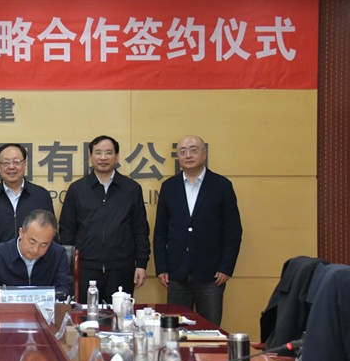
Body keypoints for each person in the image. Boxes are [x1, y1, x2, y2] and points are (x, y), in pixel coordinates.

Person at [153, 135, 242, 326]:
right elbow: (160, 232)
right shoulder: (169, 187)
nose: (188, 155)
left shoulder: (221, 186)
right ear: (178, 157)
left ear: (204, 153)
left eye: (193, 150)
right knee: (175, 330)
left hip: (211, 275)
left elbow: (233, 231)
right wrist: (162, 267)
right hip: (176, 274)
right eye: (183, 151)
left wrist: (226, 267)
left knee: (210, 329)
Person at [59, 135, 150, 300]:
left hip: (121, 269)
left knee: (119, 314)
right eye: (98, 153)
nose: (103, 157)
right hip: (85, 268)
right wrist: (68, 266)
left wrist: (142, 264)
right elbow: (67, 230)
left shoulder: (131, 189)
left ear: (116, 156)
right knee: (85, 314)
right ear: (90, 156)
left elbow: (140, 229)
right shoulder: (77, 189)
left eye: (108, 153)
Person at [0, 143, 55, 274]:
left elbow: (51, 236)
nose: (11, 167)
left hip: (36, 269)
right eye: (6, 163)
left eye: (16, 162)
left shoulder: (41, 196)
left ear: (25, 164)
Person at [0, 209, 72, 303]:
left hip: (46, 313)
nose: (35, 250)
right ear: (21, 232)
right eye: (32, 241)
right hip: (8, 313)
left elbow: (66, 289)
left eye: (44, 244)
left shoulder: (58, 253)